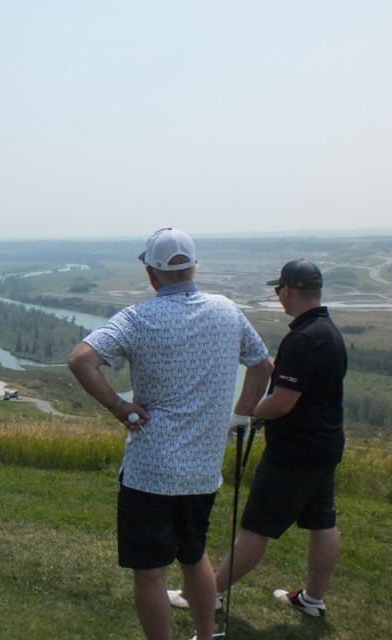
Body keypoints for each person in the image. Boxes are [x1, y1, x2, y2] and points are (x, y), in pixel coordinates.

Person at [67, 228, 273, 640]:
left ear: (151, 274)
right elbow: (262, 365)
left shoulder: (138, 318)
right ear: (194, 267)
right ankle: (204, 634)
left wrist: (119, 408)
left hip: (150, 471)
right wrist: (240, 415)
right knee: (195, 557)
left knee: (150, 573)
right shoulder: (227, 310)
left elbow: (80, 359)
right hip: (201, 470)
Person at [167, 258, 348, 621]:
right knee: (322, 523)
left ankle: (207, 595)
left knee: (254, 528)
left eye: (279, 289)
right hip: (324, 445)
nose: (279, 295)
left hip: (293, 454)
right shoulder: (329, 331)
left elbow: (281, 403)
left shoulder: (303, 339)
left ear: (289, 291)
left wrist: (246, 414)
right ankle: (312, 600)